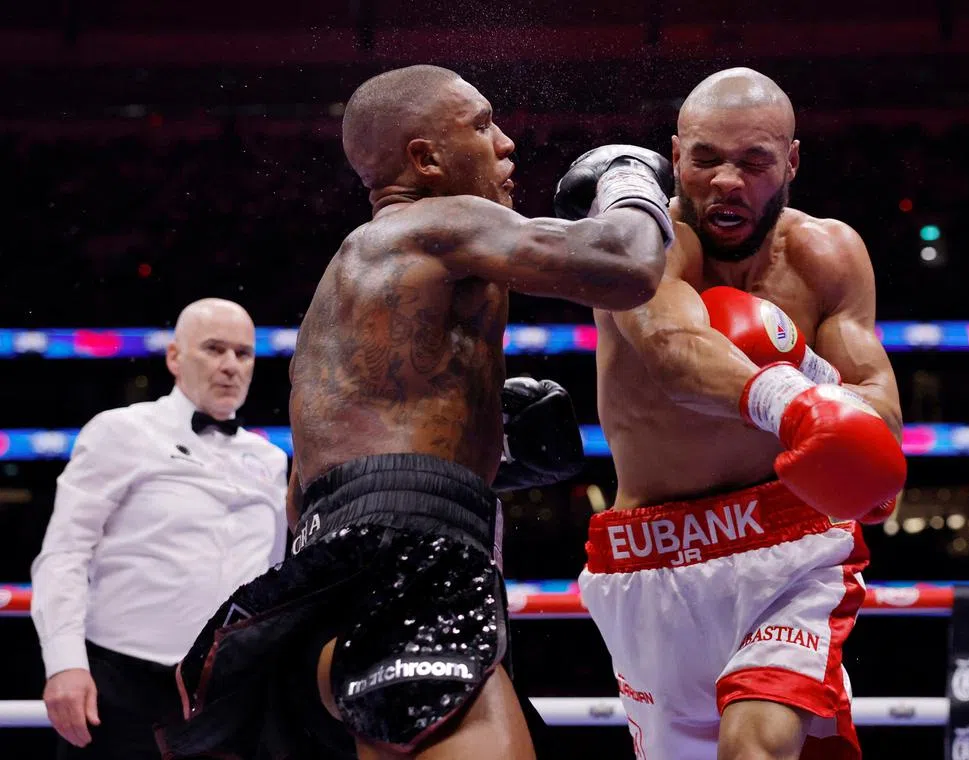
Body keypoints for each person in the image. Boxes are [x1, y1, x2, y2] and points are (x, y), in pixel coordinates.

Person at [154, 64, 673, 760]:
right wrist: (630, 180)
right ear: (426, 160)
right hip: (411, 560)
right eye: (483, 125)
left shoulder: (341, 297)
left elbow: (308, 492)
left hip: (323, 580)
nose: (507, 143)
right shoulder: (440, 222)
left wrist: (488, 452)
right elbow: (628, 265)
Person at [579, 68, 907, 760]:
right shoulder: (642, 244)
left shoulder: (826, 254)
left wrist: (814, 378)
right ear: (675, 156)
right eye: (705, 159)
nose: (727, 181)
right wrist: (792, 396)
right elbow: (675, 353)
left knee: (756, 746)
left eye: (754, 162)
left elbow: (879, 409)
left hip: (791, 547)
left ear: (791, 162)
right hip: (652, 551)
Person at [30, 298, 288, 760]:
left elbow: (271, 576)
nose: (231, 365)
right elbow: (65, 553)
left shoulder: (269, 460)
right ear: (174, 357)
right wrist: (64, 663)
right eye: (214, 349)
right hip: (121, 687)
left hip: (229, 694)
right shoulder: (121, 432)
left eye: (243, 353)